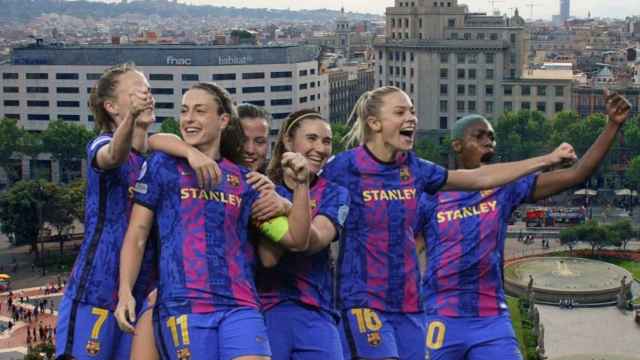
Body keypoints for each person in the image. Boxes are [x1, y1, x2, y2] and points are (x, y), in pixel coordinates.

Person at [319, 86, 577, 359]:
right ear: (374, 123)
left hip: (408, 305)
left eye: (412, 111)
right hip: (362, 300)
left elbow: (479, 179)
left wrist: (546, 160)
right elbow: (306, 201)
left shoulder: (414, 168)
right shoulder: (342, 167)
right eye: (400, 112)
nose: (411, 118)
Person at [420, 90, 631, 360]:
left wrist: (612, 125)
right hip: (439, 315)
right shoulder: (429, 195)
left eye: (492, 137)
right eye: (479, 136)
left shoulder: (506, 187)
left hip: (491, 319)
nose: (488, 141)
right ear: (457, 145)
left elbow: (577, 173)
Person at [115, 82, 312, 360]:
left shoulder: (243, 180)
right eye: (184, 111)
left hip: (240, 305)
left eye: (199, 111)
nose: (189, 119)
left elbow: (297, 239)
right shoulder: (163, 165)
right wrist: (125, 291)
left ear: (223, 120)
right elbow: (137, 233)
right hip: (185, 306)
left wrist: (301, 187)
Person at [55, 63, 156, 360]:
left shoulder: (158, 162)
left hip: (139, 299)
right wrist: (132, 118)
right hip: (95, 292)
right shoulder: (101, 144)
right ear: (111, 106)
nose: (147, 96)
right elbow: (113, 155)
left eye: (148, 90)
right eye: (137, 91)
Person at [257, 110, 350, 359]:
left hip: (317, 310)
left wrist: (288, 206)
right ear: (288, 141)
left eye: (326, 141)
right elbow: (268, 258)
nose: (319, 148)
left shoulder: (335, 193)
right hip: (270, 307)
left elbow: (314, 241)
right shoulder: (264, 188)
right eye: (311, 138)